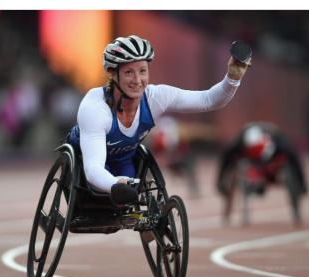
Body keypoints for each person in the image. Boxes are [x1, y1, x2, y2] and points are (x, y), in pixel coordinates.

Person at [69, 34, 248, 202]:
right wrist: (115, 185)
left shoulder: (156, 97)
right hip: (86, 158)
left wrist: (232, 78)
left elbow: (208, 100)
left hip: (124, 158)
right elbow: (93, 168)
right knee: (102, 197)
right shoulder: (95, 108)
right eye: (129, 72)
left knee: (135, 193)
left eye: (142, 71)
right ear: (112, 74)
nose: (138, 80)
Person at [216, 122, 309, 224]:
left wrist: (303, 185)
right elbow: (225, 160)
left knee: (291, 166)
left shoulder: (281, 143)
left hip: (273, 163)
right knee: (233, 168)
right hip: (251, 164)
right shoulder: (238, 144)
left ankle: (296, 208)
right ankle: (227, 210)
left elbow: (296, 163)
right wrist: (220, 184)